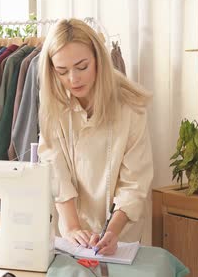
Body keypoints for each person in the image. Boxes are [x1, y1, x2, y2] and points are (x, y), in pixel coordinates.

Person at [38, 18, 153, 255]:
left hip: (121, 233)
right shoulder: (54, 104)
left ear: (98, 60)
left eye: (82, 67)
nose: (73, 79)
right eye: (62, 71)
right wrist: (71, 227)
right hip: (69, 230)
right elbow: (55, 171)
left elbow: (134, 183)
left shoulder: (130, 106)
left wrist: (112, 232)